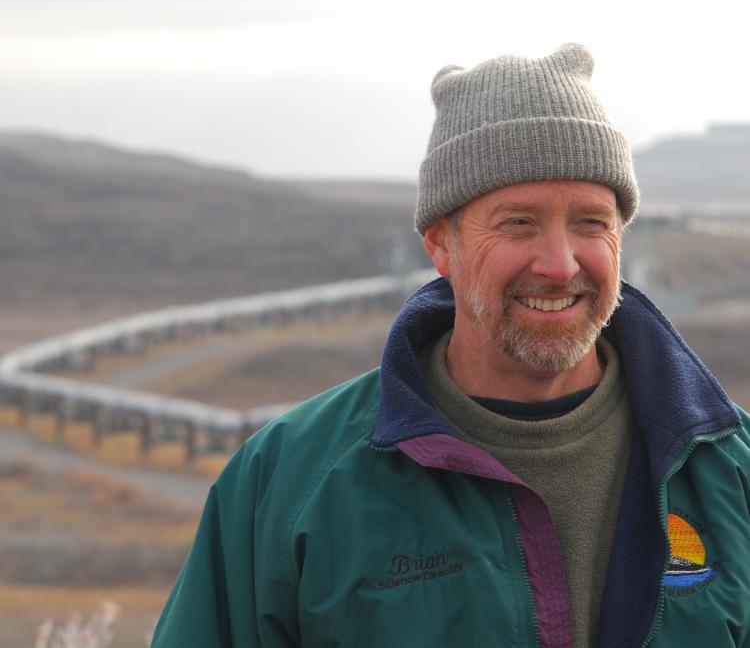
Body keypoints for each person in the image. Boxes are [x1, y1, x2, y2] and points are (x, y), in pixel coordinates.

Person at [152, 43, 750, 648]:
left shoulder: (732, 472)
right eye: (518, 222)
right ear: (442, 245)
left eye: (591, 223)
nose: (559, 263)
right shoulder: (287, 483)